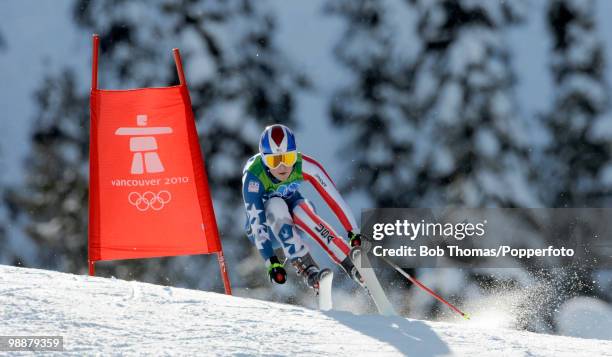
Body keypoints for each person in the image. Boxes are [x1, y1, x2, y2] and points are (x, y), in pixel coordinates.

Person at [242, 124, 364, 292]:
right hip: (267, 232)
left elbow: (334, 199)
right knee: (276, 204)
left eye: (288, 158)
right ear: (264, 159)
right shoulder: (254, 177)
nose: (282, 167)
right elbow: (257, 226)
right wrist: (271, 261)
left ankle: (349, 261)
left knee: (302, 209)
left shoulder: (304, 165)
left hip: (295, 220)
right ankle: (307, 268)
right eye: (274, 160)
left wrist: (353, 231)